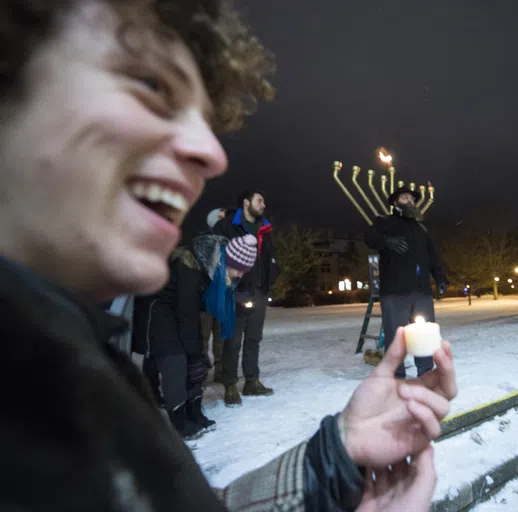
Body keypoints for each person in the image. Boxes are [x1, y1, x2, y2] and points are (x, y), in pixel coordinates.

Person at [0, 1, 458, 509]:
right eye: (151, 86)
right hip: (326, 292)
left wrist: (328, 468)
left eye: (205, 119)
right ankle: (235, 381)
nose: (211, 152)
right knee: (228, 345)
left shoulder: (77, 365)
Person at [133, 234, 257, 439]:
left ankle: (194, 411)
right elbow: (187, 312)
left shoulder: (211, 268)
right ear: (228, 261)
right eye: (239, 269)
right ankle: (179, 420)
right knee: (176, 361)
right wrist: (194, 352)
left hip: (179, 312)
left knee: (196, 361)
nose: (239, 275)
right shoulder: (188, 267)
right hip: (157, 311)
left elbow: (200, 305)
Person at [364, 185, 449, 379]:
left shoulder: (421, 228)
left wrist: (441, 278)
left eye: (412, 199)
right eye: (404, 198)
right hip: (394, 292)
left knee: (425, 336)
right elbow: (369, 236)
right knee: (396, 338)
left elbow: (433, 256)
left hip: (422, 292)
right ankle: (397, 376)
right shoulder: (384, 221)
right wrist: (386, 241)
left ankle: (426, 372)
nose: (410, 201)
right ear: (395, 203)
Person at [214, 189, 279, 404]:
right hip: (235, 291)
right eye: (259, 201)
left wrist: (272, 277)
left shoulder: (265, 228)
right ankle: (230, 385)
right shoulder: (227, 226)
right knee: (232, 340)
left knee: (254, 339)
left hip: (259, 290)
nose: (263, 205)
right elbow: (216, 257)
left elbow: (271, 257)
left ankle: (252, 381)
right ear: (246, 203)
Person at [201, 208, 227, 382]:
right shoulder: (203, 243)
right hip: (205, 298)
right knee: (202, 337)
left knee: (221, 337)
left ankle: (220, 371)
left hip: (222, 298)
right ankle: (200, 372)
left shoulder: (228, 243)